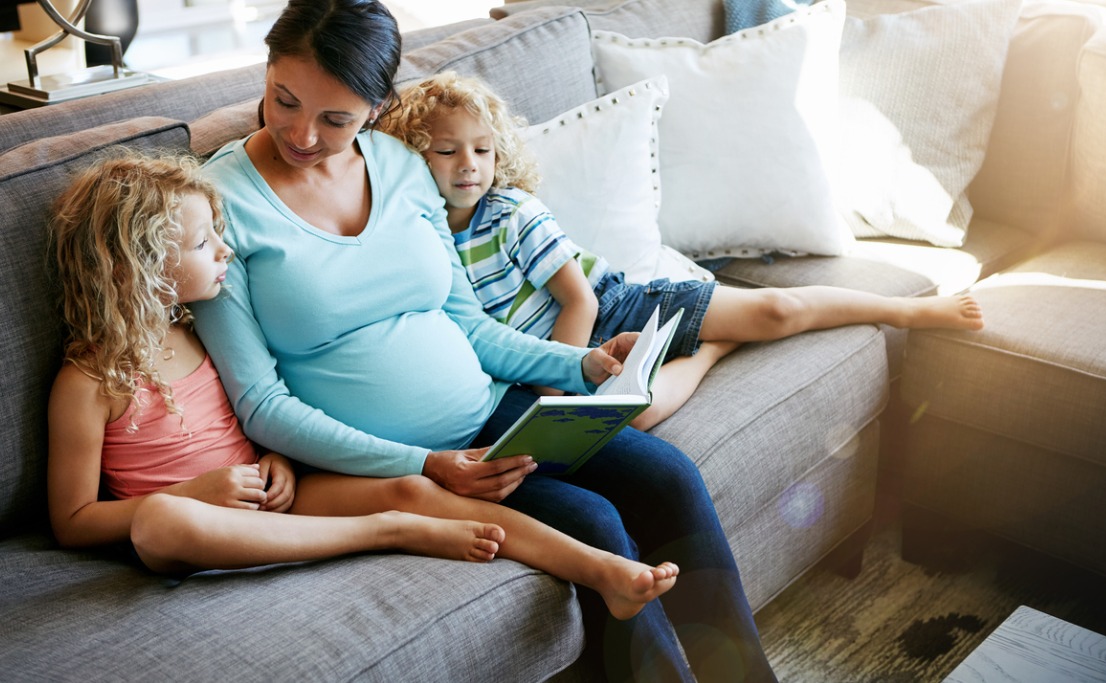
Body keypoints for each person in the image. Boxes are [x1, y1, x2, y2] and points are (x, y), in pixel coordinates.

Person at [188, 0, 778, 679]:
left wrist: (580, 362)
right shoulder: (214, 203)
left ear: (378, 109)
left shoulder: (400, 168)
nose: (301, 133)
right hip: (386, 460)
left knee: (668, 475)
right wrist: (424, 462)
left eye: (336, 119)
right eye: (283, 100)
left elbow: (468, 326)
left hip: (497, 411)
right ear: (265, 68)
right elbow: (259, 402)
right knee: (592, 523)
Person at [45, 152, 680, 621]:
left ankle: (606, 573)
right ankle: (387, 530)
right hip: (192, 528)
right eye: (203, 243)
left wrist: (275, 461)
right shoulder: (87, 382)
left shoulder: (197, 333)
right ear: (142, 267)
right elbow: (73, 522)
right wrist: (198, 492)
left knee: (411, 486)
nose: (224, 252)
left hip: (273, 499)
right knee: (159, 521)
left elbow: (254, 414)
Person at [384, 71, 987, 430]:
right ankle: (710, 350)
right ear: (412, 158)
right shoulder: (418, 238)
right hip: (566, 354)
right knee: (639, 418)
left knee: (776, 312)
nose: (470, 165)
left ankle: (906, 310)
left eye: (483, 150)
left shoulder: (510, 212)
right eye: (447, 151)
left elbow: (579, 303)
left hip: (612, 307)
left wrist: (555, 386)